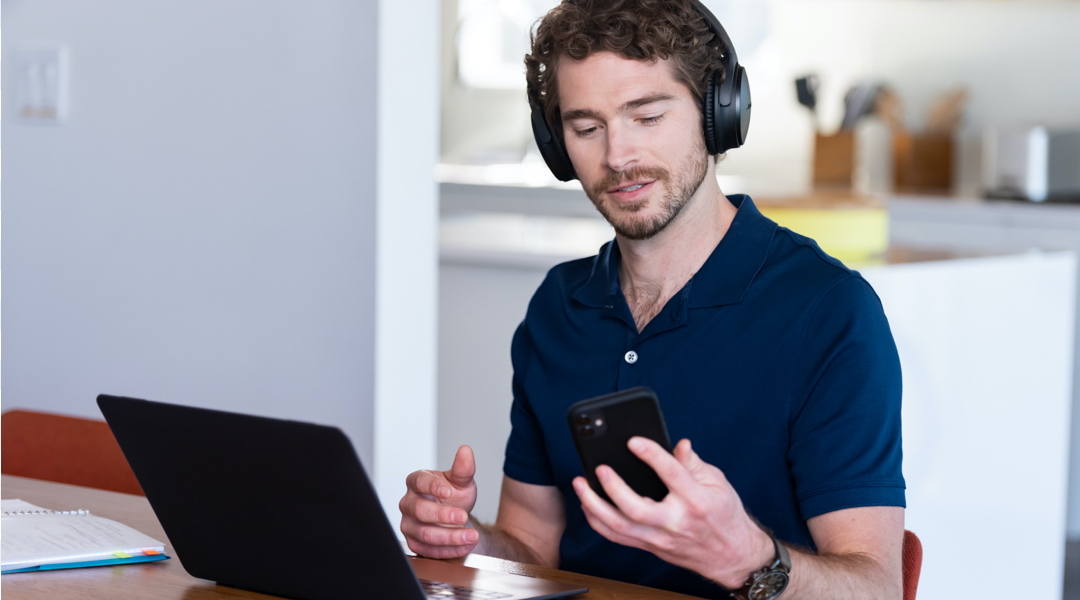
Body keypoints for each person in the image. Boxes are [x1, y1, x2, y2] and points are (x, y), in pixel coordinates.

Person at [400, 1, 906, 598]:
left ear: (719, 114)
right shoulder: (558, 307)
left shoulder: (829, 311)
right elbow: (533, 545)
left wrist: (752, 558)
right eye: (587, 129)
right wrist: (468, 542)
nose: (617, 157)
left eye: (647, 116)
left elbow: (874, 587)